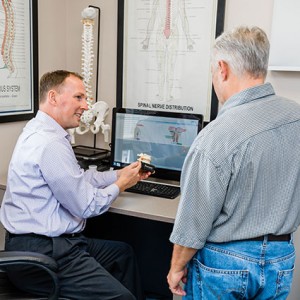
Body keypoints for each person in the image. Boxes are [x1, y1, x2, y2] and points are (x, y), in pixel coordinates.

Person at [167, 26, 300, 299]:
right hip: (281, 258)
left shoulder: (215, 137)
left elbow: (193, 224)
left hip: (225, 264)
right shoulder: (296, 116)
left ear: (222, 68)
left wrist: (176, 268)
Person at [0, 70, 151, 300]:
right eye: (79, 97)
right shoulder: (50, 143)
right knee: (123, 298)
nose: (86, 105)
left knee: (123, 254)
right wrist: (121, 184)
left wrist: (117, 174)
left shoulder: (38, 130)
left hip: (42, 244)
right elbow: (86, 206)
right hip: (45, 254)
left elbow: (77, 179)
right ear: (53, 97)